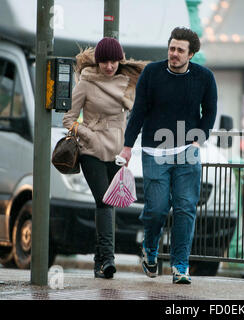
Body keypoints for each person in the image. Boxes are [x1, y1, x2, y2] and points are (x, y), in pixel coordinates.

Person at [119, 27, 217, 284]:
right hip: (155, 151)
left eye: (180, 50)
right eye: (172, 48)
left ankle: (180, 266)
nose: (174, 54)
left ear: (191, 54)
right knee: (157, 209)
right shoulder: (151, 73)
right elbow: (138, 111)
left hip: (187, 150)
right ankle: (150, 249)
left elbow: (209, 112)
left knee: (185, 208)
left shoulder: (204, 78)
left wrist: (198, 141)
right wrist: (128, 146)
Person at [63, 37, 147, 279]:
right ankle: (108, 260)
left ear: (120, 61)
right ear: (97, 62)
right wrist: (89, 135)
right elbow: (69, 119)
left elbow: (139, 114)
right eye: (104, 62)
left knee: (110, 202)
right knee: (104, 201)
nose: (109, 66)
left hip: (117, 153)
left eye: (113, 62)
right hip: (91, 151)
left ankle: (100, 262)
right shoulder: (87, 83)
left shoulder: (129, 83)